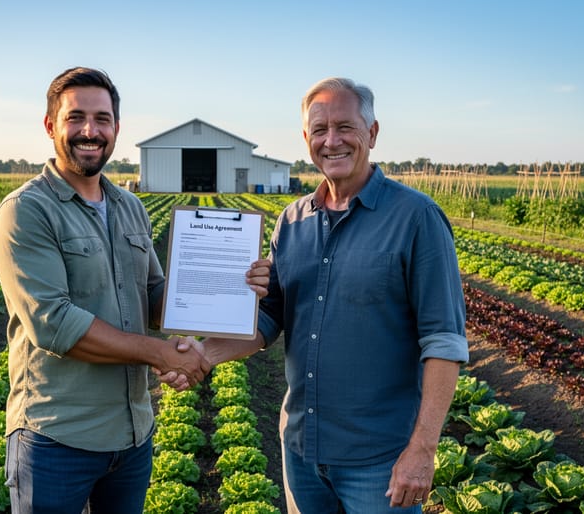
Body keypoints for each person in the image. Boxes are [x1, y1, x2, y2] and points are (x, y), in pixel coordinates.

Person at [0, 66, 270, 514]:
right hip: (57, 437)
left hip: (133, 434)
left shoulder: (128, 207)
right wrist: (159, 353)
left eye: (102, 119)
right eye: (75, 117)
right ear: (50, 126)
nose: (89, 131)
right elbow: (53, 323)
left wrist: (232, 286)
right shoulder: (27, 212)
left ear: (116, 128)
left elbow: (155, 293)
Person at [189, 77, 469, 513]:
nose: (331, 141)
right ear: (306, 139)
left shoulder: (417, 218)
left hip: (379, 461)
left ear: (372, 134)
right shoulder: (292, 220)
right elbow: (267, 323)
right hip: (301, 449)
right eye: (319, 130)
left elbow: (444, 342)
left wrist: (423, 450)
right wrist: (203, 356)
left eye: (345, 127)